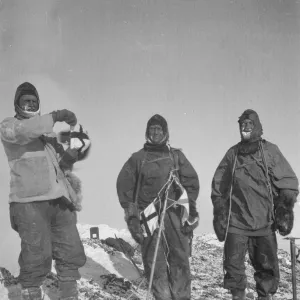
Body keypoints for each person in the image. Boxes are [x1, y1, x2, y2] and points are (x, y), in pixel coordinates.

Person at [0, 82, 87, 300]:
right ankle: (30, 293)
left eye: (34, 101)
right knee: (36, 256)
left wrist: (70, 156)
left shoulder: (47, 135)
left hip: (59, 201)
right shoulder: (9, 125)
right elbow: (24, 131)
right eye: (26, 101)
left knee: (70, 251)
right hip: (28, 202)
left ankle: (69, 296)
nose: (30, 104)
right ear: (17, 105)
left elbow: (59, 164)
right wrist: (55, 116)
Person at [211, 109, 299, 300]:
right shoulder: (232, 154)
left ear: (257, 127)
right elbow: (219, 184)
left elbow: (289, 182)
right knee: (233, 269)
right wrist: (220, 211)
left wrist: (284, 208)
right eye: (243, 124)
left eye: (250, 124)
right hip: (237, 223)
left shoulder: (269, 151)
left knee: (267, 270)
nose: (246, 127)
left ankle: (264, 297)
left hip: (264, 223)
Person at [117, 114, 200, 300]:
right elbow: (124, 187)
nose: (155, 132)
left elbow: (191, 183)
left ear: (166, 132)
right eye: (152, 129)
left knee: (179, 259)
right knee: (154, 262)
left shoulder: (176, 156)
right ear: (147, 132)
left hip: (174, 214)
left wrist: (191, 209)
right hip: (148, 216)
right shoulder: (138, 159)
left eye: (159, 129)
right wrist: (132, 217)